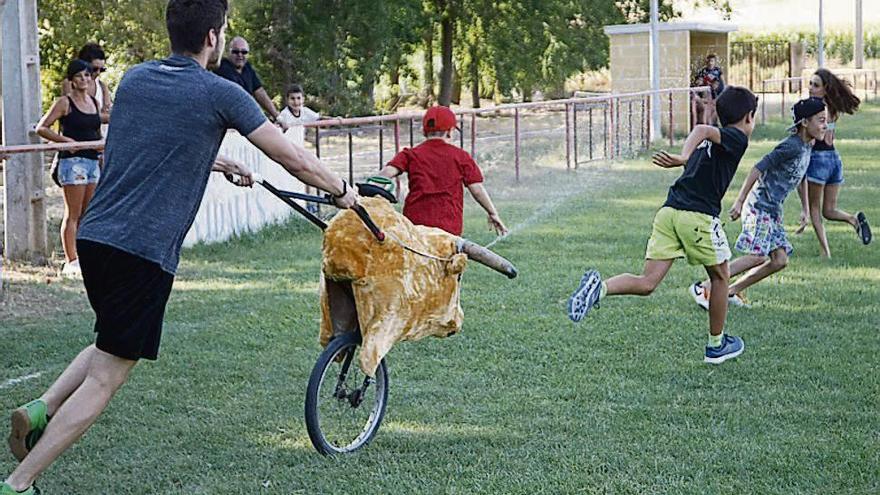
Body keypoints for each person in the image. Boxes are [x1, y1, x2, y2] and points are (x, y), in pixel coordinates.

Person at [1, 1, 356, 493]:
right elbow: (292, 156)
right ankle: (19, 483)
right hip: (142, 251)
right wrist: (343, 191)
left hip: (97, 238)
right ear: (213, 36)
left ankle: (42, 406)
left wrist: (220, 161)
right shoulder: (221, 92)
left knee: (111, 342)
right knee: (108, 376)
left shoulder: (136, 80)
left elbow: (147, 147)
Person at [567, 87, 758, 365]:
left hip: (669, 213)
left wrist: (685, 157)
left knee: (647, 283)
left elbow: (702, 131)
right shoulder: (737, 138)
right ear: (748, 117)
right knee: (720, 278)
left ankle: (600, 289)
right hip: (697, 217)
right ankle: (716, 345)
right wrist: (682, 158)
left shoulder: (713, 143)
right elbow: (703, 128)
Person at [688, 97, 827, 310]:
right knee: (757, 256)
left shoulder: (809, 145)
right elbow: (758, 167)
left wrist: (806, 209)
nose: (825, 125)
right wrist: (740, 200)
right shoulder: (791, 146)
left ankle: (730, 291)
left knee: (780, 260)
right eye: (821, 120)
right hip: (758, 205)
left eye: (826, 120)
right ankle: (703, 286)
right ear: (805, 123)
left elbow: (801, 176)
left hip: (773, 209)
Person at [376, 105, 507, 237]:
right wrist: (492, 212)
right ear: (450, 131)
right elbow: (477, 190)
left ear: (424, 131)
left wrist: (370, 194)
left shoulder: (410, 154)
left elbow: (385, 174)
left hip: (414, 225)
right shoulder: (461, 156)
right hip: (448, 226)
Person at [36, 59, 105, 279]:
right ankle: (71, 261)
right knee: (73, 213)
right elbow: (42, 128)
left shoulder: (94, 102)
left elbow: (96, 130)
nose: (84, 79)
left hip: (92, 160)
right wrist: (65, 140)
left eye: (86, 75)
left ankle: (86, 257)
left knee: (89, 213)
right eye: (79, 76)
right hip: (72, 162)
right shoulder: (64, 103)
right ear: (71, 81)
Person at [804, 68, 871, 257]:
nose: (810, 88)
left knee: (815, 209)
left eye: (815, 85)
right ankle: (854, 220)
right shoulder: (832, 107)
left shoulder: (815, 107)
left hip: (818, 160)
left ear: (825, 88)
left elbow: (809, 135)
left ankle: (825, 251)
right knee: (829, 210)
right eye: (810, 83)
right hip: (834, 160)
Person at [214, 36, 286, 128]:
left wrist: (277, 116)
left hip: (244, 121)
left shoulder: (247, 68)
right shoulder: (222, 68)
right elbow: (239, 97)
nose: (240, 55)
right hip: (226, 124)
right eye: (236, 52)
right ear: (229, 52)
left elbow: (259, 92)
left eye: (244, 52)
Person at [62, 43, 112, 122]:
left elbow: (107, 112)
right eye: (95, 69)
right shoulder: (70, 84)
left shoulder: (102, 86)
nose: (98, 73)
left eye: (102, 70)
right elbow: (74, 114)